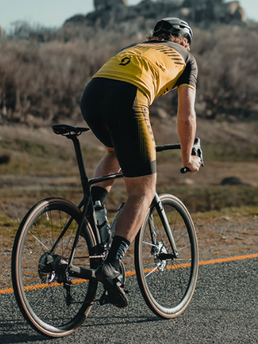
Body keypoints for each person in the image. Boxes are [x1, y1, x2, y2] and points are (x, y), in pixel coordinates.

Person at [79, 17, 201, 308]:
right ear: (183, 41)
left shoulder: (137, 46)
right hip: (129, 96)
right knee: (143, 191)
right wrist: (188, 157)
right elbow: (186, 116)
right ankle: (111, 265)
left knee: (114, 150)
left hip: (92, 94)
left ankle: (93, 209)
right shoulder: (187, 58)